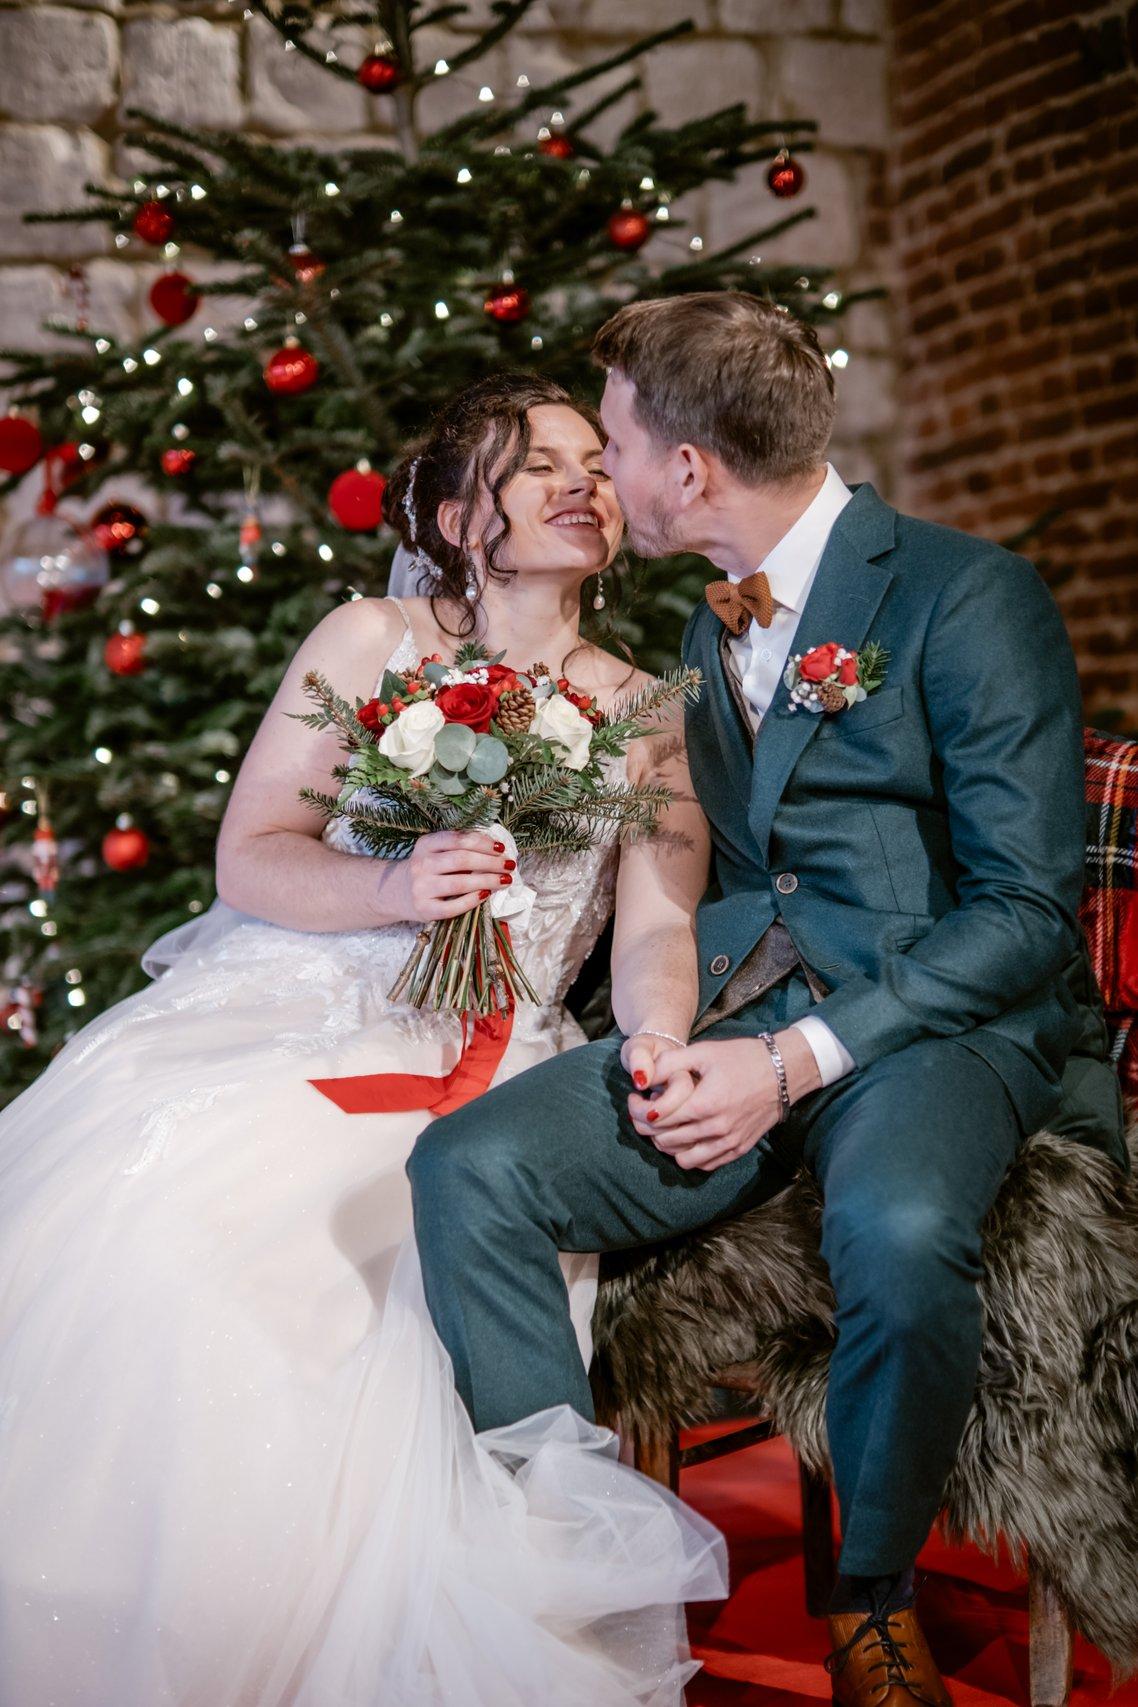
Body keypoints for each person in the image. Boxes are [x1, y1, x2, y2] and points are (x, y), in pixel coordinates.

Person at [409, 295, 1127, 1707]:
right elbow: (704, 870)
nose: (597, 475)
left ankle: (869, 1596)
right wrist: (670, 1034)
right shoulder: (696, 624)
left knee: (901, 1226)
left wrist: (792, 1065)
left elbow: (1027, 910)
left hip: (933, 1023)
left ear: (687, 469)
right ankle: (562, 1566)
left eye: (611, 440)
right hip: (733, 1003)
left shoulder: (966, 592)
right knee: (470, 1167)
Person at [0, 372, 727, 1705]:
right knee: (157, 1224)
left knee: (367, 1262)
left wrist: (660, 1036)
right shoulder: (367, 638)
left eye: (594, 463)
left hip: (490, 1050)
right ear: (456, 512)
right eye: (537, 466)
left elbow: (651, 930)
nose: (585, 484)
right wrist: (394, 889)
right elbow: (252, 859)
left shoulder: (645, 711)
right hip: (297, 1007)